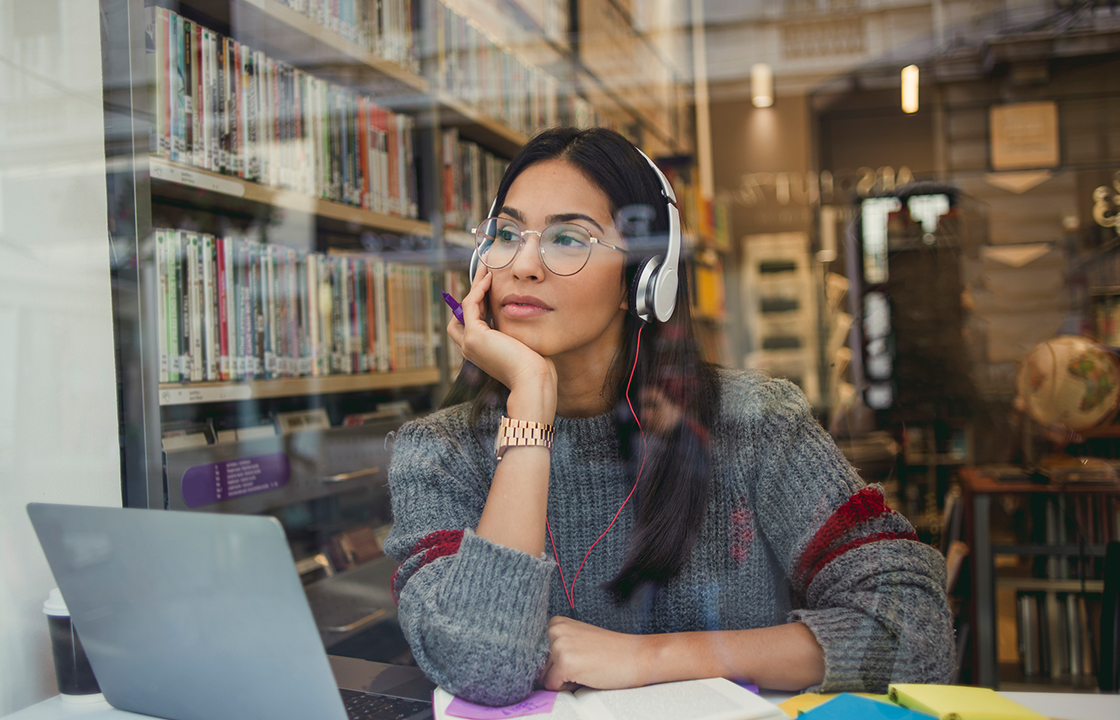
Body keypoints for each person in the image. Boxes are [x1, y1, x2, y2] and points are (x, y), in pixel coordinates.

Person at [384, 127, 954, 706]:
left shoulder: (755, 425)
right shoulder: (437, 454)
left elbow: (915, 631)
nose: (523, 264)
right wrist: (530, 397)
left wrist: (648, 658)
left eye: (568, 238)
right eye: (507, 233)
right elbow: (482, 668)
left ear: (645, 274)